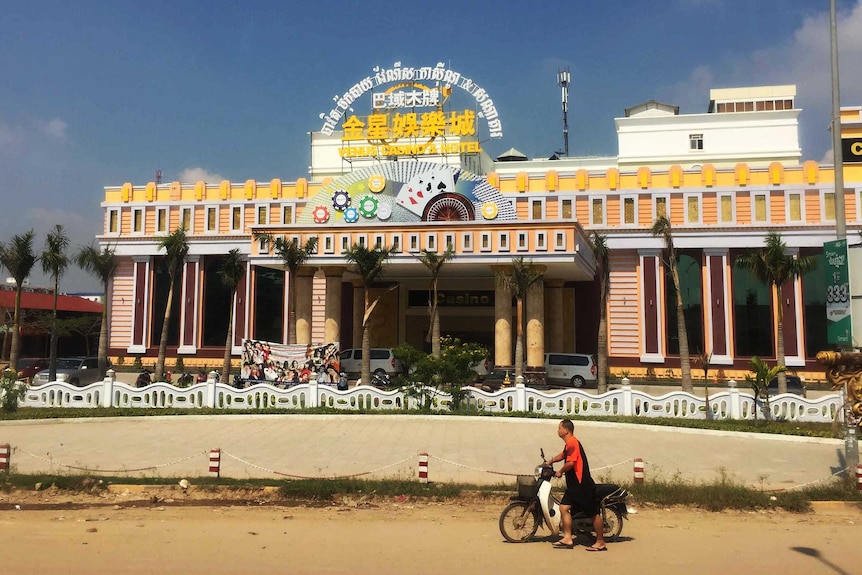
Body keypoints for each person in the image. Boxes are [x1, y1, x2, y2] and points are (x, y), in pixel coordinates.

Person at [546, 419, 606, 551]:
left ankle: (600, 541)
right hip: (573, 486)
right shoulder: (569, 444)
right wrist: (550, 460)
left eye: (559, 428)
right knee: (563, 508)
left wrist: (560, 471)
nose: (558, 430)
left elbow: (571, 463)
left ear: (566, 430)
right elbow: (563, 455)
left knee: (593, 513)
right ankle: (568, 538)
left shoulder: (573, 443)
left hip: (582, 485)